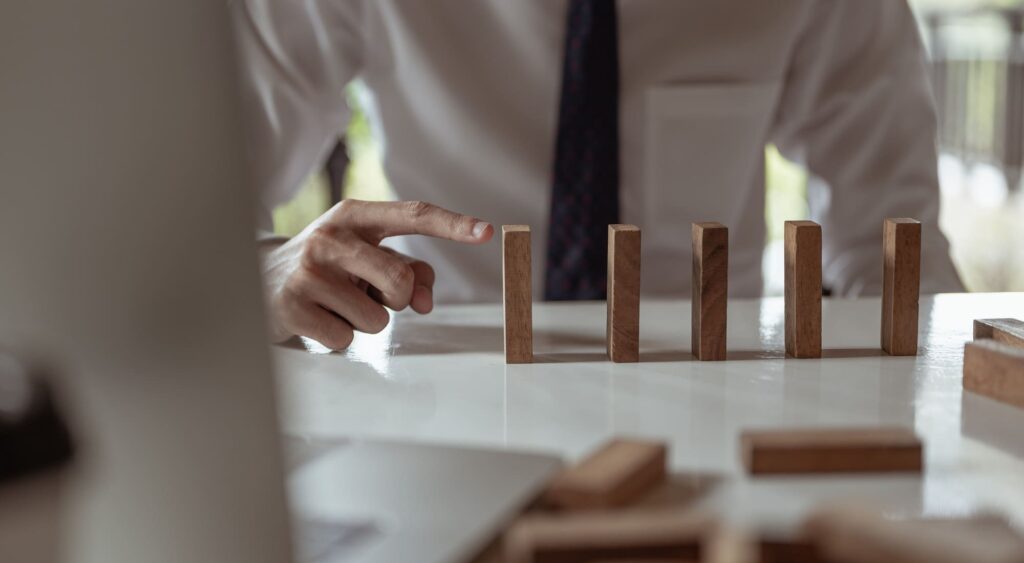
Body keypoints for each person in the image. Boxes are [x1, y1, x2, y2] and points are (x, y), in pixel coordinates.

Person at [233, 0, 964, 351]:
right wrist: (265, 274)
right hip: (444, 379)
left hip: (719, 390)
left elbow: (900, 257)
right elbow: (177, 221)